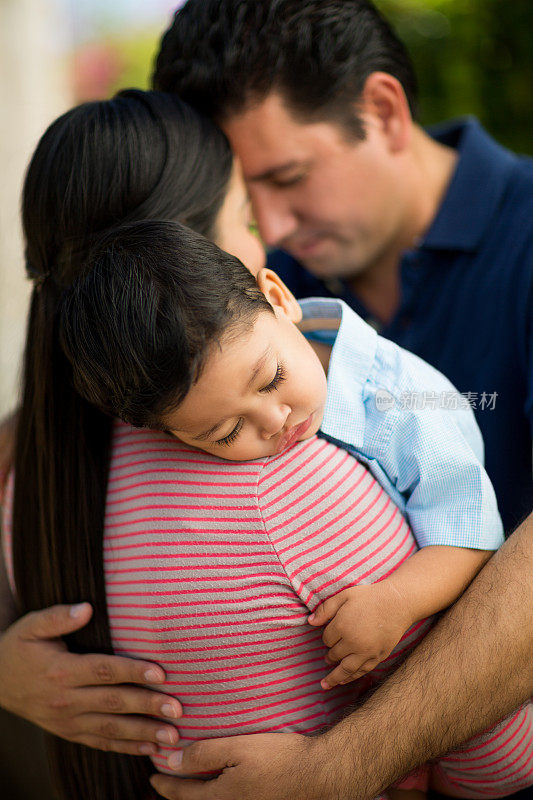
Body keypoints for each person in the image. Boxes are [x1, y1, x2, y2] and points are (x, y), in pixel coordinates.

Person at [153, 0, 533, 538]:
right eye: (242, 199)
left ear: (382, 110)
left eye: (288, 177)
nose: (273, 228)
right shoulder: (264, 290)